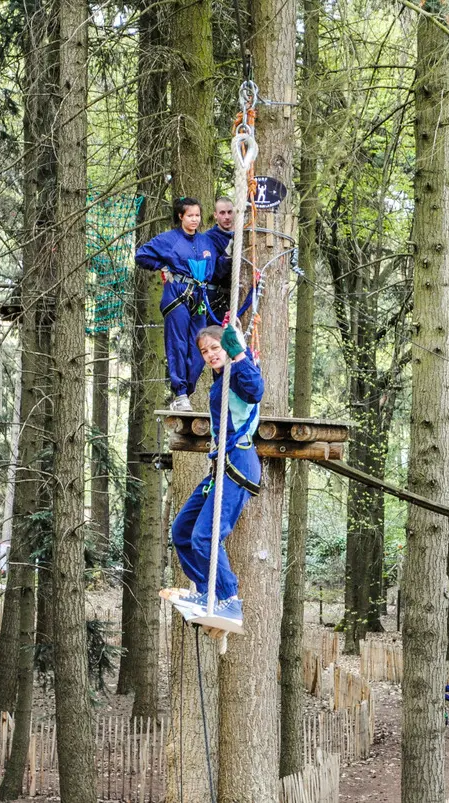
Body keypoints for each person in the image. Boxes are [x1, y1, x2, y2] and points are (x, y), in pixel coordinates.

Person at [165, 322, 262, 629]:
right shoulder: (220, 380)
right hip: (221, 464)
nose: (209, 355)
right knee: (182, 532)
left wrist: (238, 354)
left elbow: (255, 390)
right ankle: (207, 593)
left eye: (215, 348)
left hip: (239, 462)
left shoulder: (238, 375)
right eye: (204, 351)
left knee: (205, 537)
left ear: (227, 349)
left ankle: (228, 600)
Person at [135, 197, 227, 411]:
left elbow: (216, 270)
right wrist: (163, 266)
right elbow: (141, 256)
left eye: (197, 215)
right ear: (180, 216)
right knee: (178, 344)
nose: (195, 220)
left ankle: (187, 390)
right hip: (177, 294)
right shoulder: (169, 239)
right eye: (190, 216)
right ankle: (180, 392)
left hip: (200, 298)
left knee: (200, 349)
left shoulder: (206, 242)